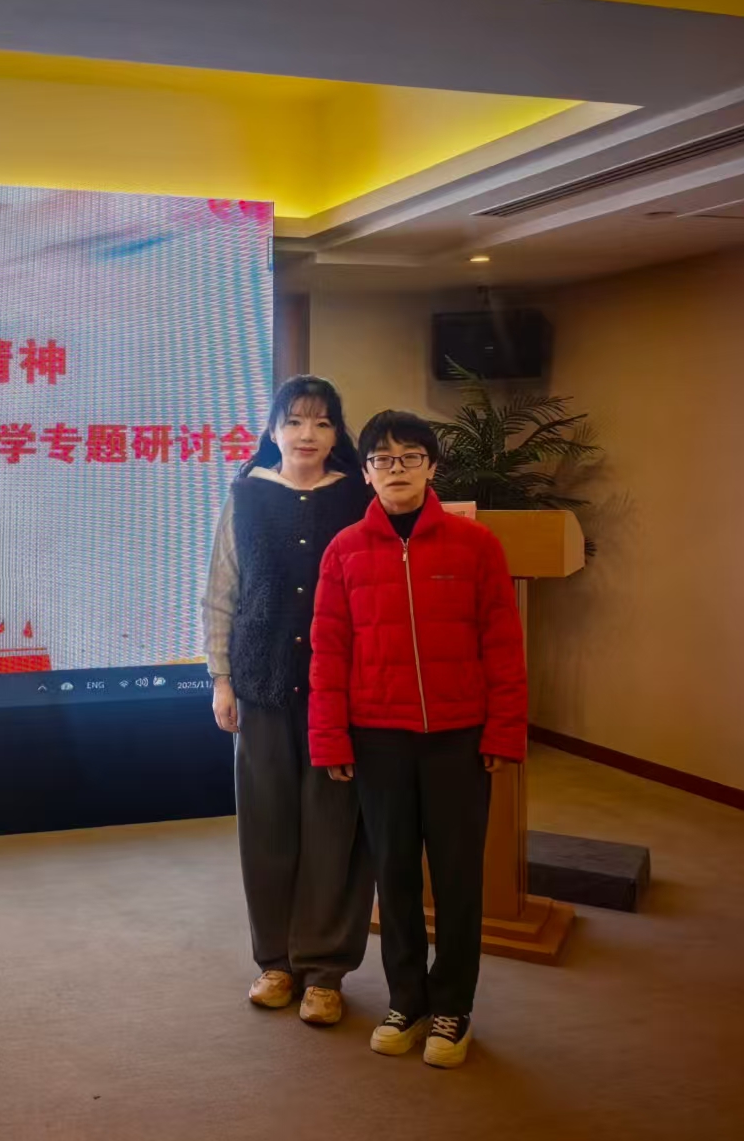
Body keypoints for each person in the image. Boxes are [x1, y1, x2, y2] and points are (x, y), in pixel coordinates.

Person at [308, 410, 527, 1069]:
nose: (395, 468)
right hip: (378, 740)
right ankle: (406, 998)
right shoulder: (343, 550)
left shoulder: (475, 545)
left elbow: (502, 645)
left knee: (458, 878)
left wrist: (503, 730)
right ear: (366, 472)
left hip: (458, 739)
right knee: (395, 875)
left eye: (409, 456)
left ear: (432, 466)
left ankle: (453, 1005)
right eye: (382, 458)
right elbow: (328, 653)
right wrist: (331, 740)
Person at [203, 375, 375, 1026]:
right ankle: (275, 961)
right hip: (261, 683)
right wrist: (221, 678)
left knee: (336, 830)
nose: (307, 434)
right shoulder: (247, 494)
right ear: (273, 430)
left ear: (336, 434)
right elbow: (221, 591)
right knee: (267, 827)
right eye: (294, 421)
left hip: (340, 689)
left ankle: (325, 970)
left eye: (322, 422)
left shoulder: (358, 496)